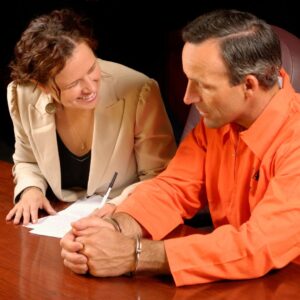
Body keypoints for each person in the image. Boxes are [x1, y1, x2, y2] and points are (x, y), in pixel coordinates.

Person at [60, 9, 300, 286]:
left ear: (248, 85)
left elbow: (258, 244)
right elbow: (172, 189)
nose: (187, 97)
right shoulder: (218, 123)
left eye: (202, 85)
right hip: (237, 280)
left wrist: (134, 255)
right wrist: (112, 229)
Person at [5, 9, 176, 225]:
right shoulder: (22, 93)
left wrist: (120, 206)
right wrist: (31, 189)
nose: (90, 87)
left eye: (92, 67)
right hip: (56, 217)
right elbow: (27, 159)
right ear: (43, 87)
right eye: (74, 83)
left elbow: (160, 176)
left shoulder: (139, 90)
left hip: (120, 218)